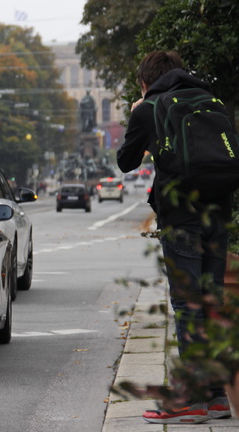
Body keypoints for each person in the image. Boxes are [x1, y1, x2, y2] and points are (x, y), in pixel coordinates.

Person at [117, 51, 234, 424]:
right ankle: (216, 397)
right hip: (218, 213)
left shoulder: (149, 107)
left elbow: (126, 161)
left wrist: (139, 109)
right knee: (211, 302)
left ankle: (191, 399)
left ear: (146, 82)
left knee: (187, 306)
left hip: (182, 217)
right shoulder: (210, 100)